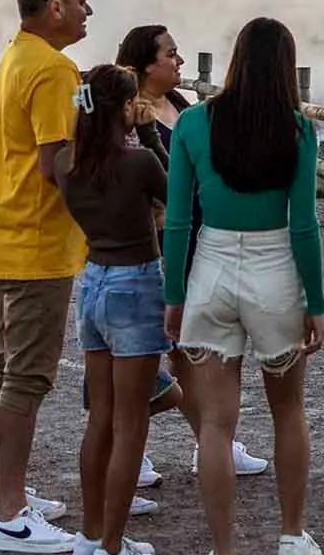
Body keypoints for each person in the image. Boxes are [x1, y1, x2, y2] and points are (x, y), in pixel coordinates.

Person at [162, 16, 324, 555]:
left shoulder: (190, 123)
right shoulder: (298, 131)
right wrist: (317, 301)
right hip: (275, 269)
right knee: (288, 411)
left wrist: (174, 296)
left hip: (210, 270)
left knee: (214, 422)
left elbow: (179, 221)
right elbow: (303, 225)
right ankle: (291, 539)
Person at [116, 24, 271, 487]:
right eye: (171, 53)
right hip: (154, 242)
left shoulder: (182, 106)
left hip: (201, 239)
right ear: (146, 63)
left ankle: (211, 443)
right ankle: (132, 451)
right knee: (142, 351)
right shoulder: (128, 119)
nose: (179, 61)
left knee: (189, 347)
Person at [0, 0, 91, 554]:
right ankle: (11, 517)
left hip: (6, 230)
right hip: (38, 240)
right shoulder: (52, 68)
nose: (87, 11)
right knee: (28, 377)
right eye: (80, 0)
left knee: (6, 372)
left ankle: (4, 495)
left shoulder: (17, 54)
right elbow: (57, 164)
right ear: (54, 7)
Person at [56, 63, 168, 555]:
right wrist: (146, 128)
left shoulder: (65, 163)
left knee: (100, 419)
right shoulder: (140, 162)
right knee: (131, 424)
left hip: (92, 284)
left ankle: (91, 534)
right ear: (124, 107)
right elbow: (179, 192)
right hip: (136, 285)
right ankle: (115, 550)